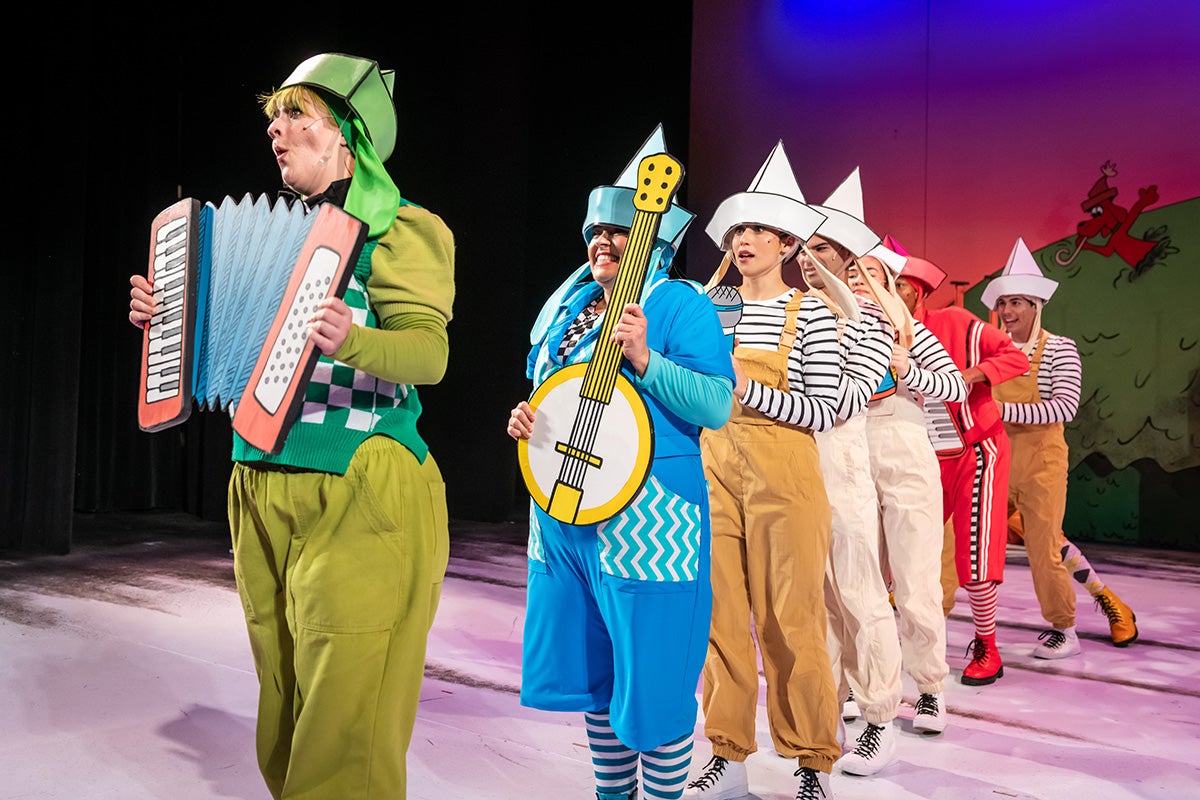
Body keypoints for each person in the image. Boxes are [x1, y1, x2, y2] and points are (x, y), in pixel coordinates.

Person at [129, 53, 455, 800]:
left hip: (360, 481)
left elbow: (430, 354)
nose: (275, 131)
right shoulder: (275, 233)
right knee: (285, 711)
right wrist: (164, 319)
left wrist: (355, 340)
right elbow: (225, 340)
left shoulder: (404, 230)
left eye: (296, 114)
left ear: (347, 135)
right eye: (272, 117)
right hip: (256, 483)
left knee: (344, 733)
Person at [506, 126, 734, 800]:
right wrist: (527, 419)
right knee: (596, 680)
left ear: (652, 239)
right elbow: (554, 392)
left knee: (654, 685)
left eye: (618, 230)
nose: (603, 242)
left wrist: (645, 359)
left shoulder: (679, 304)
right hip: (564, 517)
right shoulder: (570, 308)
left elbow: (716, 404)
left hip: (649, 525)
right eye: (595, 232)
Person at [681, 141, 846, 800]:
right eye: (737, 230)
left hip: (787, 477)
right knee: (719, 618)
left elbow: (827, 408)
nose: (743, 240)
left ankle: (812, 760)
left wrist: (745, 387)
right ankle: (727, 753)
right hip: (712, 471)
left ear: (786, 244)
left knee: (791, 621)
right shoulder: (707, 309)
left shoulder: (813, 314)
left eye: (758, 230)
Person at [792, 169, 902, 777]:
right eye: (803, 249)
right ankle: (823, 715)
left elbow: (844, 397)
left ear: (847, 256)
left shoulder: (871, 319)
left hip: (841, 465)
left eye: (822, 250)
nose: (809, 260)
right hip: (791, 466)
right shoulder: (794, 312)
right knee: (811, 603)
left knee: (860, 595)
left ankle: (880, 717)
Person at [981, 238, 1139, 655]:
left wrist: (1002, 410)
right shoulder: (991, 351)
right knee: (963, 536)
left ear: (1036, 305)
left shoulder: (1058, 348)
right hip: (996, 461)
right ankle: (927, 616)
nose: (1007, 311)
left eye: (1017, 302)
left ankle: (1065, 629)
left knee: (1046, 548)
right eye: (1003, 303)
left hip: (1041, 462)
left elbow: (1064, 406)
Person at [892, 250, 1027, 686]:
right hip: (920, 454)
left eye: (898, 285)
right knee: (906, 550)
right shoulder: (873, 332)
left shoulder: (956, 323)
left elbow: (1015, 358)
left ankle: (988, 644)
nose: (888, 292)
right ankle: (904, 644)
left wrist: (971, 375)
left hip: (976, 449)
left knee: (975, 549)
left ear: (918, 293)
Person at [845, 248, 965, 738]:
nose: (857, 278)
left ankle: (931, 686)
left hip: (903, 439)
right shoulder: (829, 324)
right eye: (850, 271)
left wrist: (908, 367)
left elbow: (955, 386)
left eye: (869, 272)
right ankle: (863, 684)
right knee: (857, 580)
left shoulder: (908, 327)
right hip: (847, 442)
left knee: (916, 580)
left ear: (890, 282)